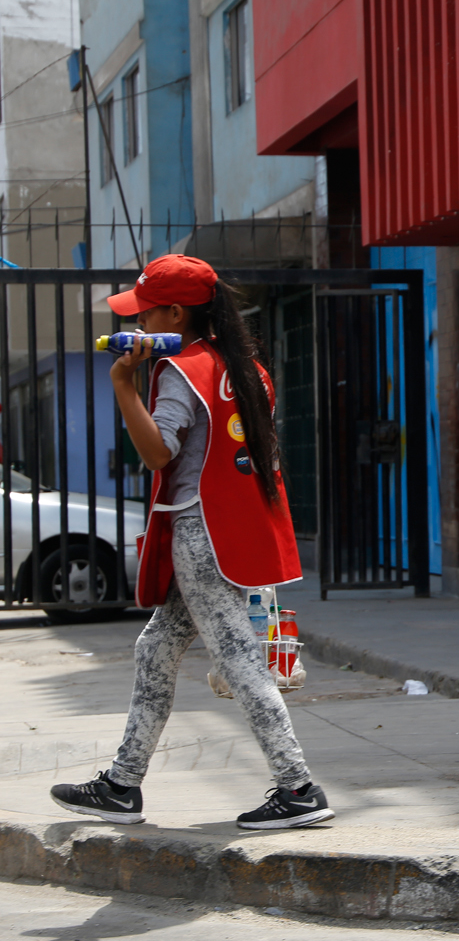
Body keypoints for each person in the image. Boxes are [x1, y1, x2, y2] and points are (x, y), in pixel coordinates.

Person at [49, 255, 332, 830]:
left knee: (240, 661)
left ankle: (298, 787)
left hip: (200, 532)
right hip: (233, 529)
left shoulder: (178, 372)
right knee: (155, 649)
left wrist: (124, 383)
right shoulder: (243, 365)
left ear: (176, 312)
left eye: (145, 314)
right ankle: (122, 785)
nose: (140, 325)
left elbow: (159, 453)